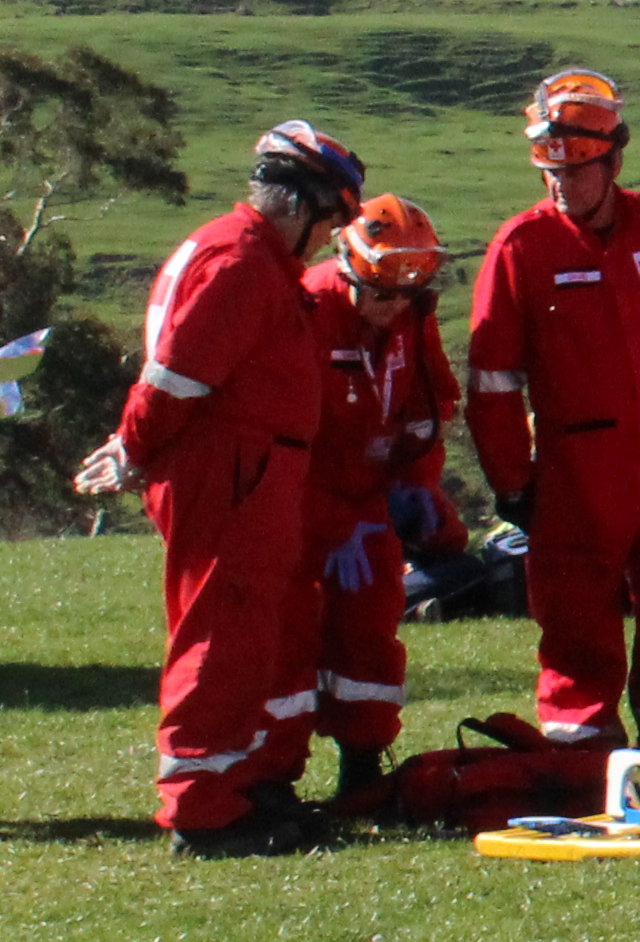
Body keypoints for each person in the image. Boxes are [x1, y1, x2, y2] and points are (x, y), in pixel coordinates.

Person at [78, 122, 364, 853]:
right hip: (231, 473)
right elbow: (176, 377)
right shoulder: (240, 263)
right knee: (220, 634)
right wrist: (133, 445)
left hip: (245, 472)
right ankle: (202, 810)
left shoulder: (240, 254)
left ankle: (229, 791)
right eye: (330, 220)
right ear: (300, 206)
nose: (329, 238)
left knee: (241, 633)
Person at [468, 71, 640, 760]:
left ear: (613, 161)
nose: (561, 186)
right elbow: (493, 384)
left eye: (577, 171)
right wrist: (513, 483)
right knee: (577, 618)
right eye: (550, 171)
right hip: (576, 472)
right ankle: (583, 753)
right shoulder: (521, 248)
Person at [301, 195, 458, 809]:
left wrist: (417, 481)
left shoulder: (412, 311)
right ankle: (274, 777)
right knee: (290, 643)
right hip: (305, 502)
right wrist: (329, 521)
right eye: (382, 296)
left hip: (374, 501)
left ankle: (363, 770)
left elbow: (432, 404)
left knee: (370, 635)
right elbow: (285, 433)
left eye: (404, 298)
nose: (392, 311)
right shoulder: (309, 308)